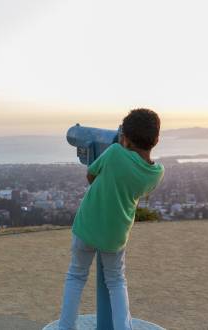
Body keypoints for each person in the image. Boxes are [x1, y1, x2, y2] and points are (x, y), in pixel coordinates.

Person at [58, 109, 165, 330]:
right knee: (116, 281)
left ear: (124, 137)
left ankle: (65, 327)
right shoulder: (156, 173)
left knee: (76, 276)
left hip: (87, 225)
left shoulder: (114, 152)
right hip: (116, 234)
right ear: (156, 140)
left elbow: (91, 173)